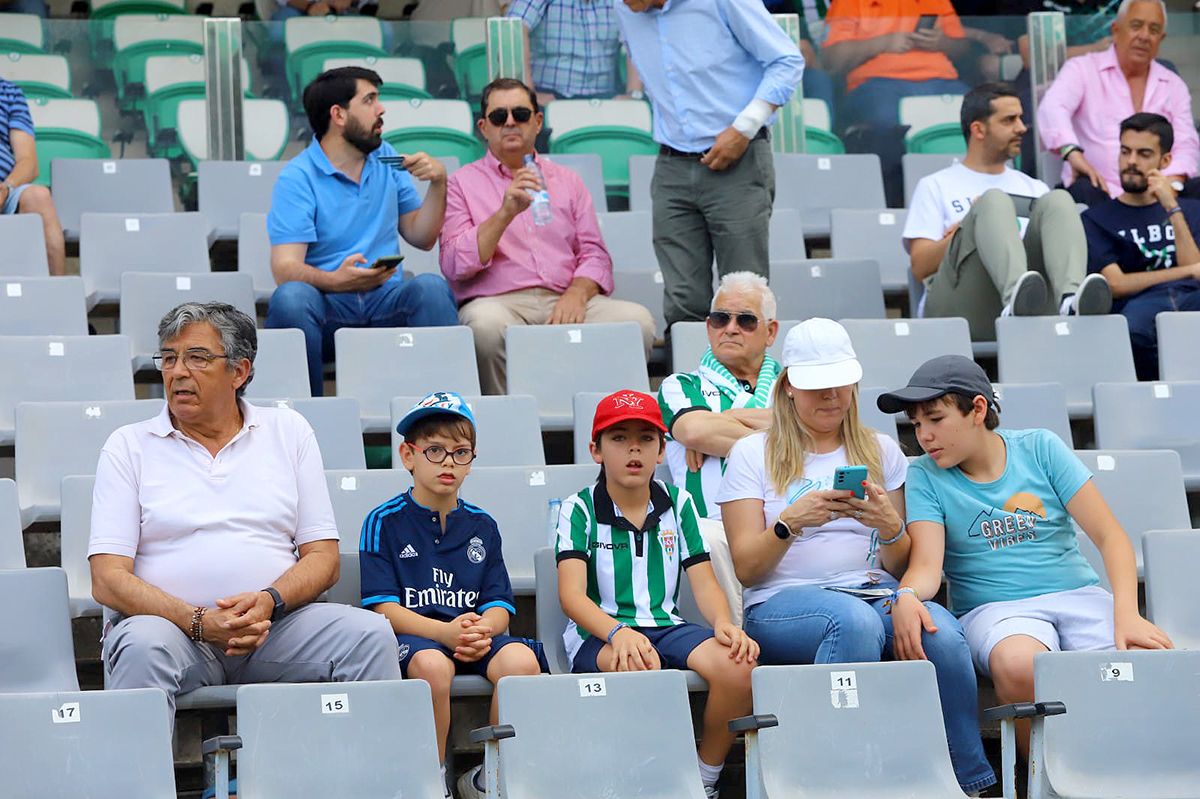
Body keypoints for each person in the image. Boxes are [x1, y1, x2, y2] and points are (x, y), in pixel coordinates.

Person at [716, 319, 995, 797]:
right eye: (816, 387)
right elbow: (746, 568)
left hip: (871, 590)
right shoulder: (751, 454)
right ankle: (840, 779)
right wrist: (790, 523)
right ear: (787, 388)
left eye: (839, 386)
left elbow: (900, 564)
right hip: (781, 602)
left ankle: (970, 783)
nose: (830, 397)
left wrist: (888, 526)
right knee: (851, 623)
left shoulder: (881, 449)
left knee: (944, 635)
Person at [88, 303, 401, 724]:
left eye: (197, 358)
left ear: (239, 372)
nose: (177, 371)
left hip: (275, 627)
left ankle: (377, 785)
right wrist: (199, 621)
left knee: (369, 635)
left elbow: (323, 559)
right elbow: (108, 579)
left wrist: (269, 601)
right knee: (142, 646)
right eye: (168, 357)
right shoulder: (129, 445)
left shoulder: (289, 432)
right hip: (171, 631)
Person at [877, 354, 1174, 756]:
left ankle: (1133, 768)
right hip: (997, 610)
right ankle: (1050, 777)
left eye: (935, 419)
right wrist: (907, 596)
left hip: (1077, 595)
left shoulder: (1040, 447)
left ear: (977, 409)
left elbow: (1110, 537)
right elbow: (927, 567)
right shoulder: (925, 476)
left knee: (1146, 657)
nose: (924, 435)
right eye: (916, 425)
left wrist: (1127, 613)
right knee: (1020, 663)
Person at [557, 389, 758, 799]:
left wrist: (723, 624)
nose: (634, 448)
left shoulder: (679, 502)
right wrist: (617, 633)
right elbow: (572, 598)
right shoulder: (577, 507)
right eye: (618, 438)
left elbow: (704, 581)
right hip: (600, 631)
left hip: (667, 625)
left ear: (662, 450)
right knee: (638, 663)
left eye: (646, 438)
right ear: (595, 450)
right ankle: (640, 782)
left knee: (738, 665)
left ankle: (704, 778)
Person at [360, 391, 545, 799]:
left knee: (521, 659)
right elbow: (381, 607)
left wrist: (483, 628)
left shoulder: (483, 524)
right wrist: (443, 634)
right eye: (435, 450)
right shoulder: (382, 521)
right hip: (417, 636)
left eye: (461, 452)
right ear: (408, 456)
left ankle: (488, 778)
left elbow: (499, 604)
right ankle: (430, 778)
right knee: (431, 667)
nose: (448, 462)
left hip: (471, 635)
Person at [440, 77, 655, 394]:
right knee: (483, 327)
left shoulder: (568, 181)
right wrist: (505, 214)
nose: (511, 122)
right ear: (484, 127)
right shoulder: (460, 183)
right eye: (500, 117)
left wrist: (577, 294)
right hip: (500, 304)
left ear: (537, 122)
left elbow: (594, 254)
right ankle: (508, 423)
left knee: (637, 322)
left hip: (565, 297)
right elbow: (454, 263)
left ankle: (607, 428)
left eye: (521, 114)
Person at [266, 67, 459, 397]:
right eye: (369, 100)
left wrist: (439, 183)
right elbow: (285, 268)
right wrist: (336, 281)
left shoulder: (386, 157)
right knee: (291, 298)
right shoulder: (297, 177)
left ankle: (445, 416)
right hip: (329, 310)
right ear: (338, 114)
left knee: (430, 288)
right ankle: (305, 420)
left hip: (386, 301)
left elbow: (421, 236)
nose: (381, 109)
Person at [616, 0, 804, 328]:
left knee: (743, 296)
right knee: (682, 300)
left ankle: (747, 381)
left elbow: (787, 61)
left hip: (739, 158)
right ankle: (687, 379)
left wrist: (744, 127)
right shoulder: (623, 7)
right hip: (671, 160)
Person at [904, 82, 1112, 342]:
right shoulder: (936, 185)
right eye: (1009, 120)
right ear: (978, 129)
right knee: (993, 202)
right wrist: (967, 226)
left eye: (1021, 119)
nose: (1021, 128)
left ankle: (1070, 300)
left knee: (1059, 200)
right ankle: (1016, 298)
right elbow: (920, 266)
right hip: (960, 307)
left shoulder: (1033, 187)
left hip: (1033, 309)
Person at [657, 272, 782, 625]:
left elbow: (817, 433)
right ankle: (740, 642)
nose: (730, 328)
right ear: (709, 326)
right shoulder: (682, 384)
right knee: (709, 537)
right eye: (720, 318)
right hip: (713, 527)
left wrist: (726, 419)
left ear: (770, 332)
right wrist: (783, 431)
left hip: (785, 522)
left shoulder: (796, 387)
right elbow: (694, 428)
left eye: (745, 320)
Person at [1037, 0, 1199, 206]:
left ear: (1162, 38)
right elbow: (1052, 108)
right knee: (1082, 190)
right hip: (1100, 191)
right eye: (1136, 26)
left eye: (1154, 29)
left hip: (1158, 195)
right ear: (1116, 29)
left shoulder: (1173, 85)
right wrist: (1071, 152)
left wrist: (1172, 184)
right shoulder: (1082, 69)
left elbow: (1186, 143)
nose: (1144, 36)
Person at [1083, 113, 1200, 380]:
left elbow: (1195, 267)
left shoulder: (1191, 211)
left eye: (1144, 153)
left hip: (1193, 300)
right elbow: (1116, 284)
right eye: (1125, 151)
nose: (1131, 162)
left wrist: (1172, 206)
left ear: (1165, 160)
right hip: (1138, 309)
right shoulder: (1096, 219)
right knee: (1132, 328)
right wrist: (1187, 272)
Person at [821, 0, 970, 131]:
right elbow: (832, 60)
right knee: (886, 121)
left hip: (942, 81)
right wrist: (883, 43)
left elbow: (965, 50)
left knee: (977, 116)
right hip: (879, 84)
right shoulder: (848, 2)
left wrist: (942, 42)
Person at [506, 0, 641, 104]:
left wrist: (633, 93)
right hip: (550, 97)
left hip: (606, 98)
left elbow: (637, 34)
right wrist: (528, 94)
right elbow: (512, 28)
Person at [0, 77, 65, 276]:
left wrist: (6, 188)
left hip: (4, 189)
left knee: (39, 196)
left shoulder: (9, 92)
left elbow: (28, 162)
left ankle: (56, 295)